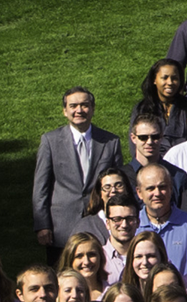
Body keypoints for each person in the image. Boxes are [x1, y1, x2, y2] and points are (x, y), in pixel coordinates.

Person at [34, 85, 124, 249]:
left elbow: (119, 186)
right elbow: (41, 188)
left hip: (100, 225)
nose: (79, 110)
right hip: (61, 228)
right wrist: (42, 225)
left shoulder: (110, 142)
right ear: (64, 111)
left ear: (92, 109)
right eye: (73, 106)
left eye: (84, 105)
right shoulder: (50, 141)